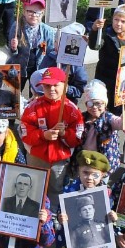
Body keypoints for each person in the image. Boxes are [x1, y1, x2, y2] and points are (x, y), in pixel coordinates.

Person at [53, 150, 114, 248]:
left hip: (94, 238)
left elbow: (108, 211)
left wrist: (112, 216)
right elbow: (59, 210)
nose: (89, 178)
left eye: (95, 174)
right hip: (71, 237)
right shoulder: (69, 190)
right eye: (85, 172)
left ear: (102, 175)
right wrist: (60, 217)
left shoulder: (105, 193)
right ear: (79, 170)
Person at [21, 66, 84, 200]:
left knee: (56, 189)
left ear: (65, 86)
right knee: (33, 188)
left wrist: (65, 133)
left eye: (55, 85)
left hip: (59, 159)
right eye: (47, 86)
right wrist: (43, 135)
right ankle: (34, 211)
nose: (51, 89)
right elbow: (25, 134)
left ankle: (54, 211)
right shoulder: (32, 107)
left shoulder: (72, 110)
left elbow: (77, 138)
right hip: (36, 157)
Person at [89, 5, 125, 90]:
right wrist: (94, 30)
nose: (118, 24)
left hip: (124, 82)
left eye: (123, 21)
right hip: (105, 80)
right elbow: (95, 46)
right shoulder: (106, 35)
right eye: (116, 19)